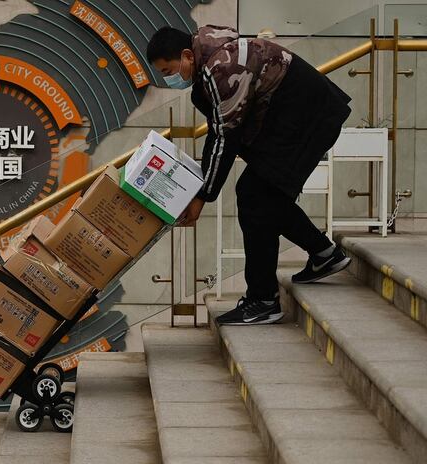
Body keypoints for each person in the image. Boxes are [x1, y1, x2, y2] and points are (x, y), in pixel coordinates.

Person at [146, 25, 353, 325]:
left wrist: (202, 196)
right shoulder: (211, 58)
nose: (168, 78)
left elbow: (224, 137)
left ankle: (263, 298)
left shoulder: (221, 68)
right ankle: (323, 254)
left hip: (307, 115)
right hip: (298, 114)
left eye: (169, 69)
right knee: (262, 195)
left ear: (187, 55)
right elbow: (219, 128)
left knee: (256, 194)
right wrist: (200, 186)